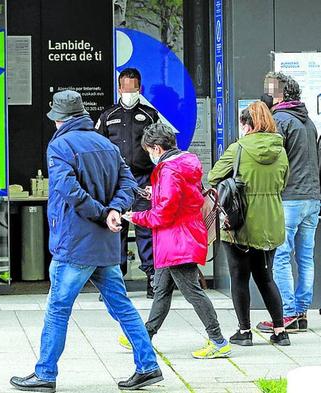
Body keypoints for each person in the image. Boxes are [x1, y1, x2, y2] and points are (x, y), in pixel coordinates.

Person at [10, 90, 162, 392]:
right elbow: (128, 182)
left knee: (58, 307)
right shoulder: (106, 143)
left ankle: (45, 374)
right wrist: (114, 210)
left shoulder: (60, 146)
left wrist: (103, 212)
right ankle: (148, 366)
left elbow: (69, 190)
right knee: (122, 306)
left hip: (75, 243)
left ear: (61, 119)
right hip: (104, 244)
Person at [122, 123, 231, 359]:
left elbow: (164, 212)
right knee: (161, 290)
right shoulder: (185, 163)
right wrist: (155, 192)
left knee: (193, 293)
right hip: (179, 237)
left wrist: (137, 217)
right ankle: (143, 336)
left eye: (149, 150)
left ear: (158, 149)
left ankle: (218, 340)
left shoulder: (169, 170)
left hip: (176, 241)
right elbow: (183, 196)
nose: (149, 154)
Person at [209, 101, 290, 346]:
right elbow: (283, 183)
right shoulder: (281, 149)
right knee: (266, 277)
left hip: (240, 223)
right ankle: (279, 331)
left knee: (239, 277)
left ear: (246, 124)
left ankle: (244, 332)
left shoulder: (239, 148)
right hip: (271, 222)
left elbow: (213, 176)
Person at [257, 73, 320, 333]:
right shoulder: (310, 123)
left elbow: (270, 158)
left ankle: (288, 313)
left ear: (279, 95)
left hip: (290, 198)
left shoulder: (280, 120)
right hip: (312, 198)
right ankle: (302, 312)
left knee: (281, 256)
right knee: (306, 257)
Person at [97, 67, 159, 299]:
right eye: (125, 89)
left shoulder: (150, 115)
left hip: (143, 180)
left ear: (139, 89)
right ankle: (114, 282)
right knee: (115, 230)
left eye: (133, 89)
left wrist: (157, 180)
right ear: (119, 88)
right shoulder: (108, 115)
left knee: (145, 229)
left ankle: (152, 279)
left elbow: (161, 147)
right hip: (116, 182)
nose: (129, 93)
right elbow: (99, 149)